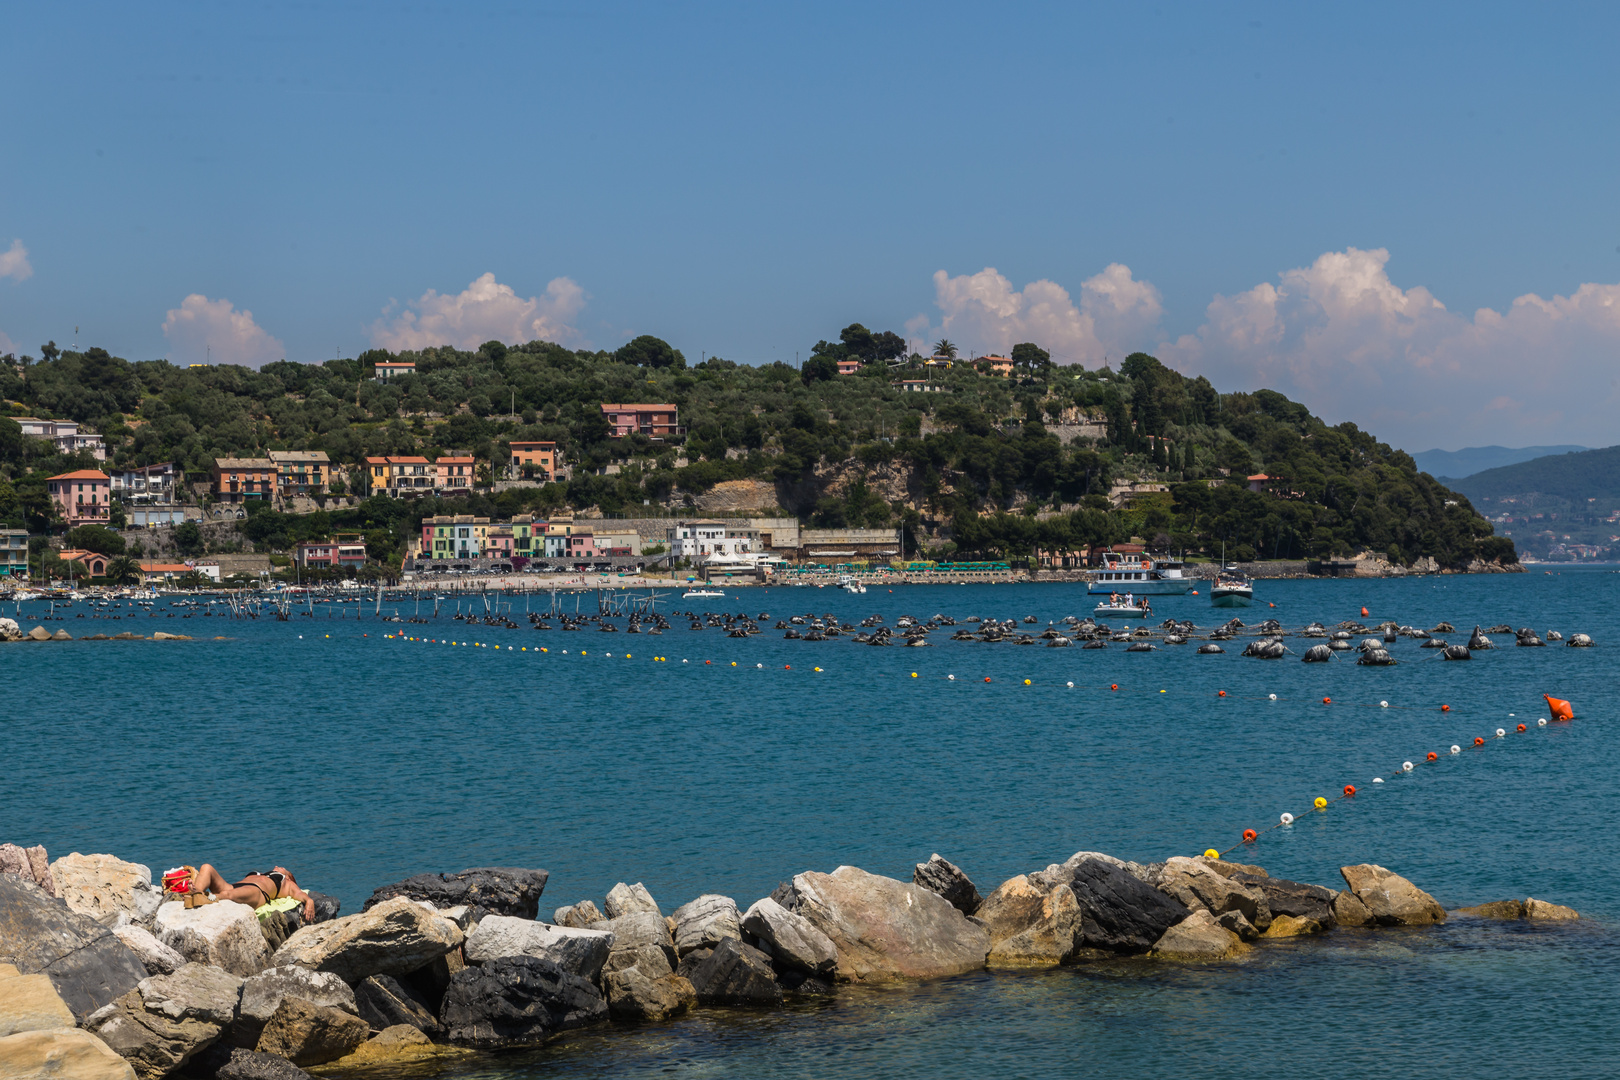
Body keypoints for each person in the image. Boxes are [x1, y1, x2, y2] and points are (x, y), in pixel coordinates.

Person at [190, 864, 316, 922]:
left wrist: (309, 901)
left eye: (283, 868)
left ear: (289, 876)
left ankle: (210, 897)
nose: (277, 865)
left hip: (257, 892)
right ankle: (198, 894)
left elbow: (299, 894)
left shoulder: (286, 883)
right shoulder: (262, 874)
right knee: (206, 868)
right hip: (233, 886)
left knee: (229, 895)